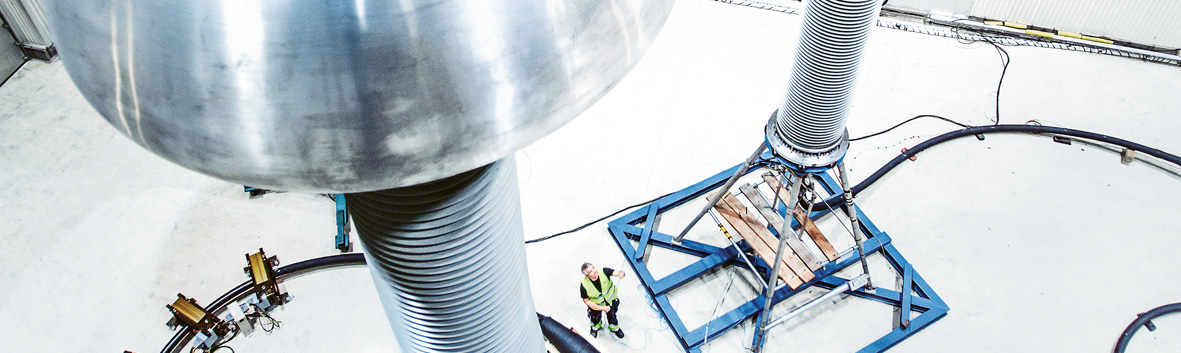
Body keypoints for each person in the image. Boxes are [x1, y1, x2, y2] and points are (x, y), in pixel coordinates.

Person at [579, 262, 626, 338]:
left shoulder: (603, 271)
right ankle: (595, 327)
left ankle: (614, 328)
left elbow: (614, 272)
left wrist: (621, 274)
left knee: (612, 316)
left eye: (593, 268)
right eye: (590, 271)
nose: (594, 271)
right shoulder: (584, 285)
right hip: (597, 306)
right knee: (595, 318)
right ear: (587, 275)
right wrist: (602, 308)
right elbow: (586, 301)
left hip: (611, 301)